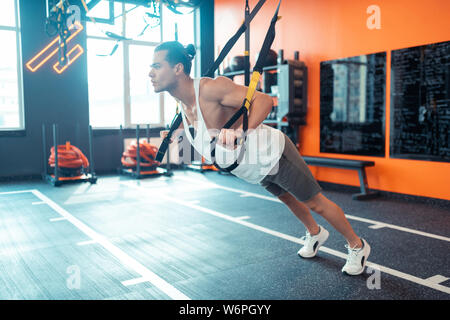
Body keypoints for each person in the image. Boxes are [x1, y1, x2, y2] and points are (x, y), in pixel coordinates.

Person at [150, 41, 371, 276]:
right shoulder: (182, 105)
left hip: (273, 153)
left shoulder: (208, 89)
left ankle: (358, 246)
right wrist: (179, 135)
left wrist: (239, 132)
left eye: (156, 66)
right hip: (254, 166)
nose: (150, 73)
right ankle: (316, 233)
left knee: (315, 202)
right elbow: (210, 136)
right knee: (287, 198)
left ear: (178, 69)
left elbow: (265, 101)